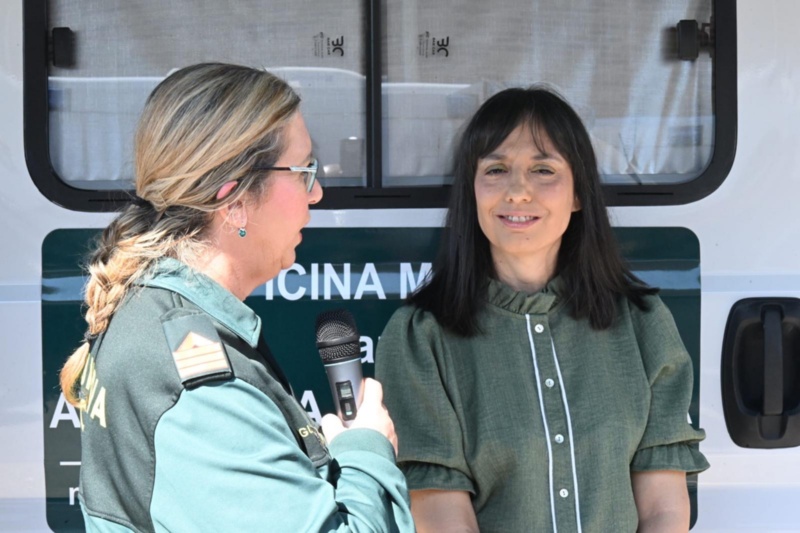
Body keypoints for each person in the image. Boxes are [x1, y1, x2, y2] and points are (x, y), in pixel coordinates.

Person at [59, 63, 414, 532]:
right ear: (235, 199)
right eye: (305, 171)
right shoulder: (199, 386)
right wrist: (367, 450)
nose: (319, 193)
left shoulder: (155, 315)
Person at [375, 87, 709, 533]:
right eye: (496, 169)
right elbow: (438, 513)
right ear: (471, 192)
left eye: (543, 169)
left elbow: (663, 510)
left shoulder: (644, 323)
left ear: (577, 194)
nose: (517, 192)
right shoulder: (420, 338)